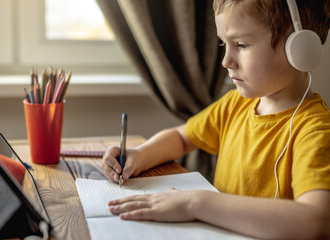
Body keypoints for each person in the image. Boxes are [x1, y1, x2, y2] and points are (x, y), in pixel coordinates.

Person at [102, 0, 330, 239]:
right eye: (223, 43)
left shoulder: (316, 130)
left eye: (241, 44)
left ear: (299, 48)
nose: (225, 61)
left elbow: (316, 221)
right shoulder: (234, 105)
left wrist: (197, 203)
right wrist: (140, 155)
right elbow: (181, 137)